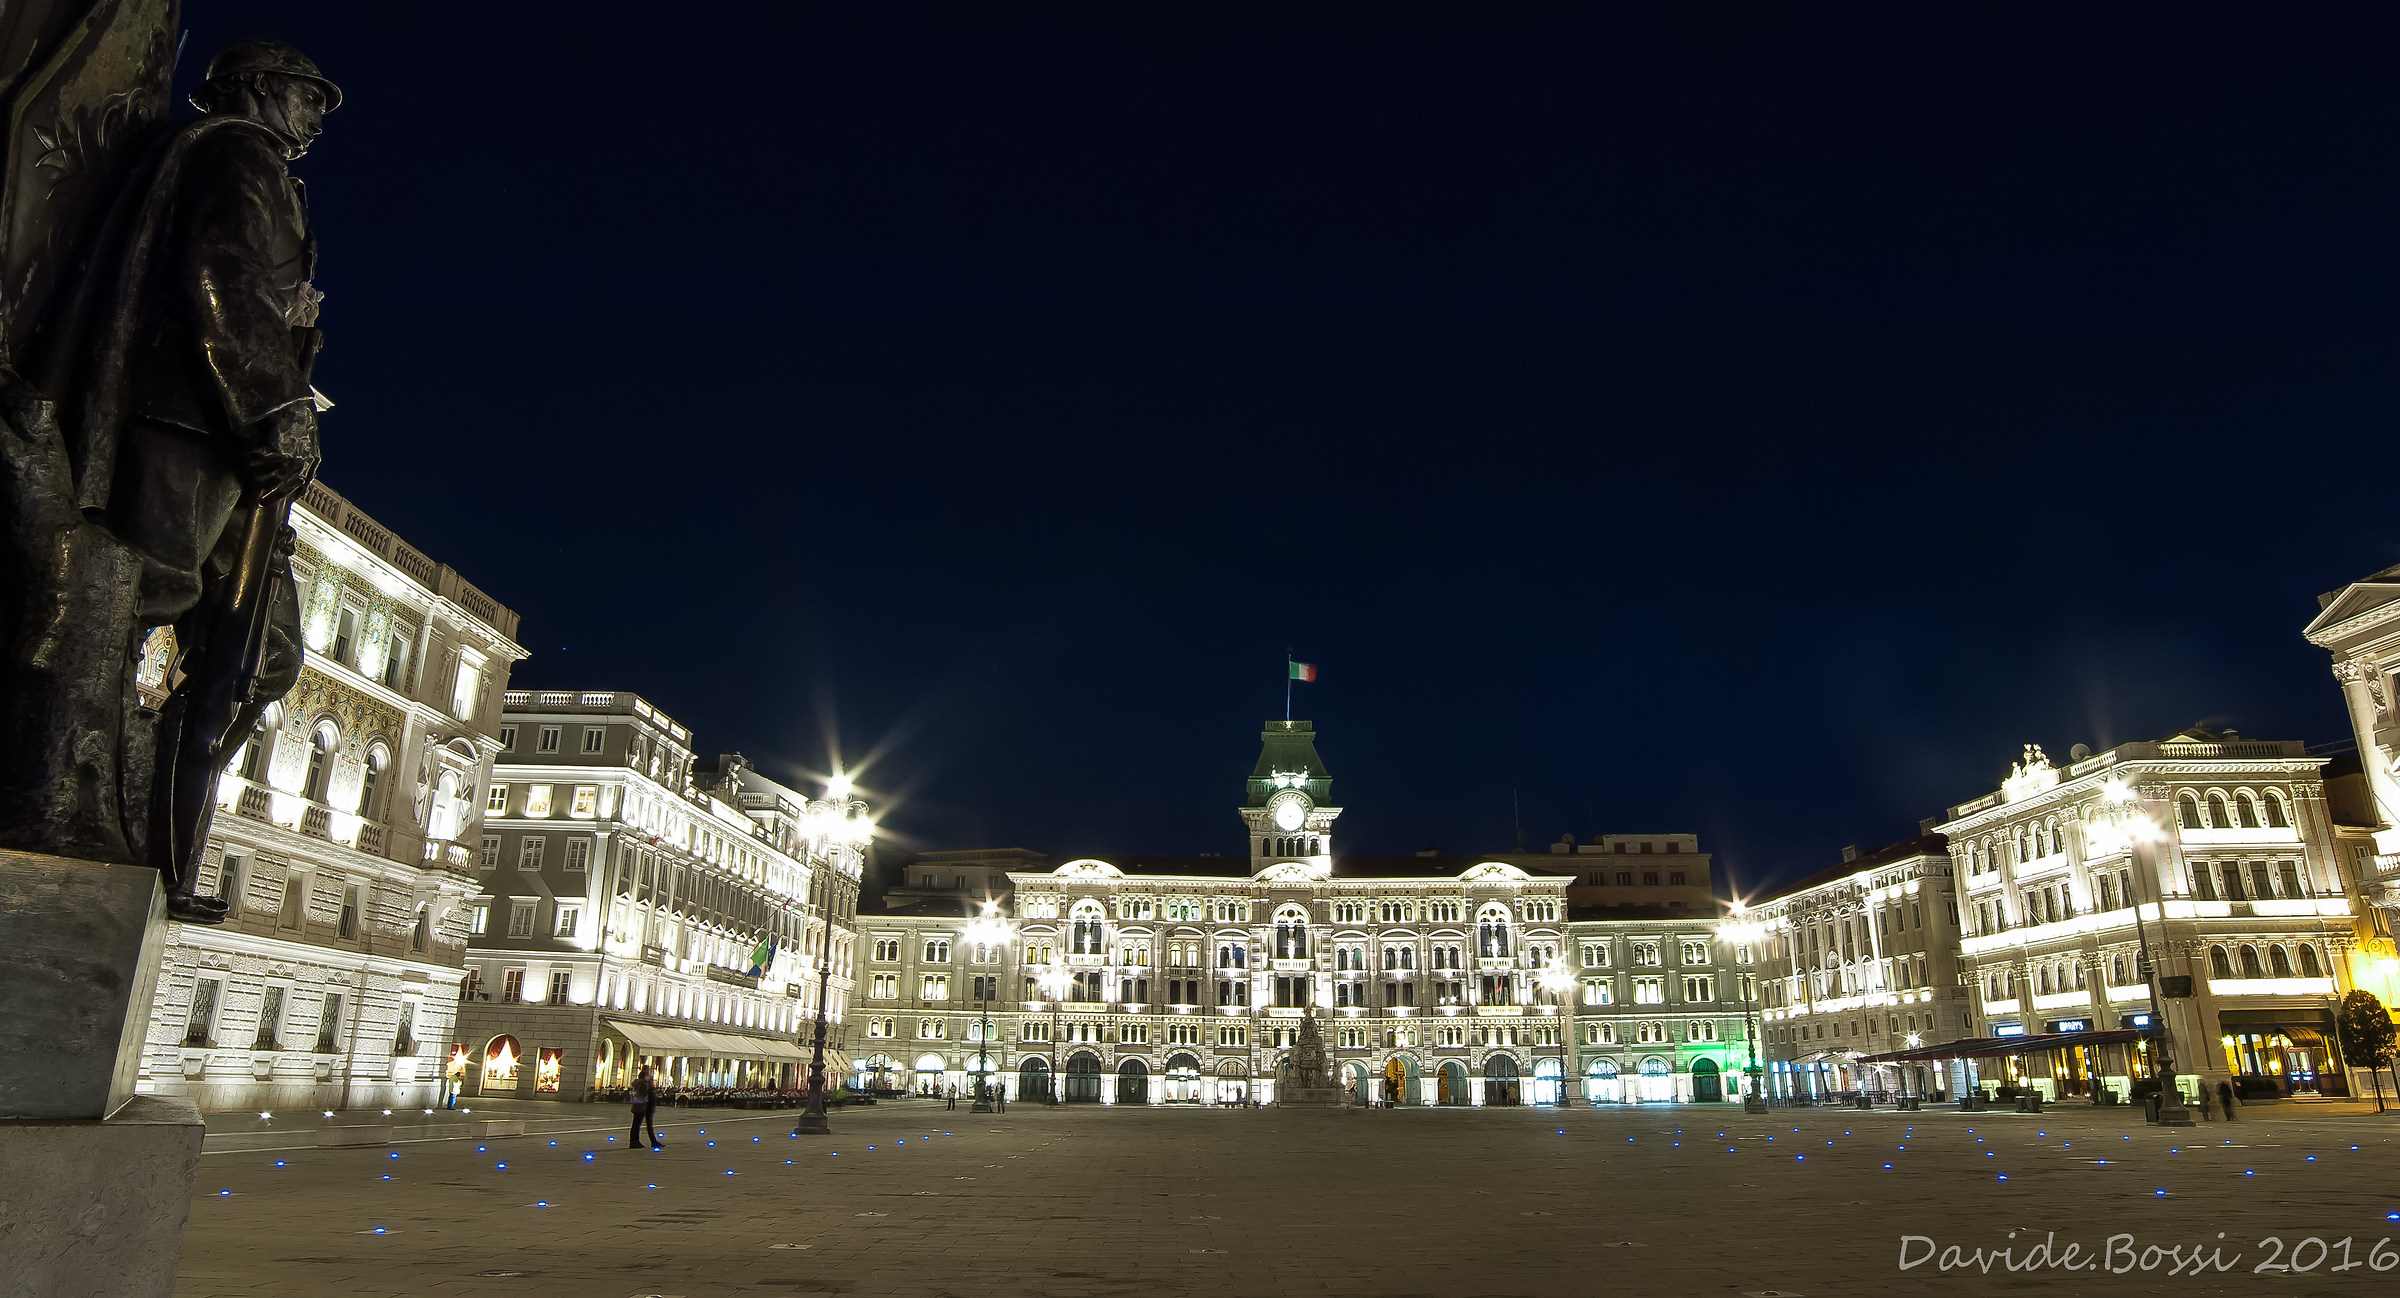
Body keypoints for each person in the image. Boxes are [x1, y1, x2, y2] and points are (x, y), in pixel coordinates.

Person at [629, 1065, 662, 1150]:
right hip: (643, 1107)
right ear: (645, 1076)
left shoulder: (641, 1083)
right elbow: (643, 1094)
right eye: (648, 1075)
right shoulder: (643, 1084)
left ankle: (637, 1141)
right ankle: (635, 1142)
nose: (649, 1077)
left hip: (641, 1107)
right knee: (638, 1125)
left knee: (637, 1124)